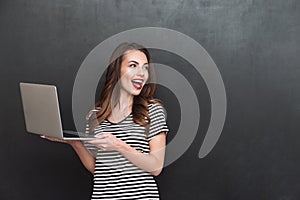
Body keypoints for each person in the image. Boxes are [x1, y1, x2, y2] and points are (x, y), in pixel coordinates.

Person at [44, 42, 169, 200]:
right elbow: (98, 169)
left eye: (145, 67)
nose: (141, 73)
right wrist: (75, 143)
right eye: (133, 65)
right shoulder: (95, 115)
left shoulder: (152, 111)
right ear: (117, 70)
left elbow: (156, 166)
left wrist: (118, 145)